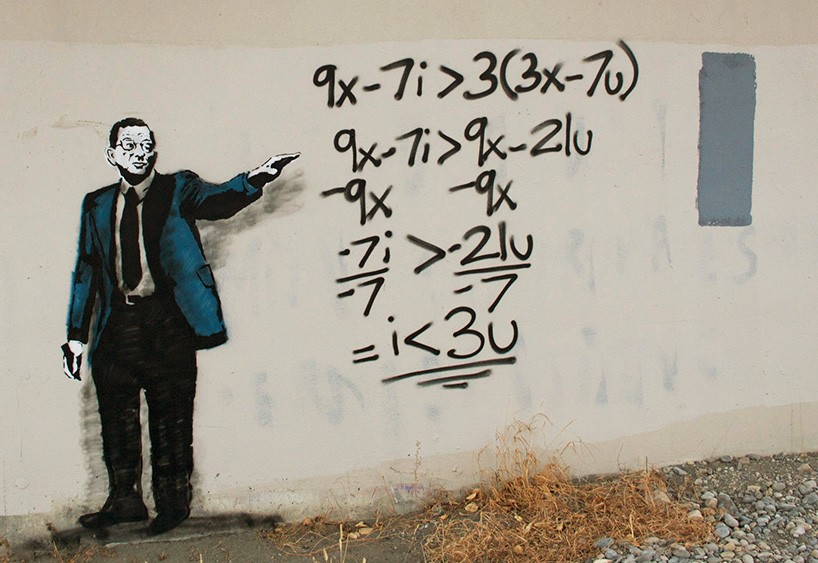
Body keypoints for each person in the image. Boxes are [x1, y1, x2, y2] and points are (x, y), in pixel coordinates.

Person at [62, 117, 299, 535]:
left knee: (170, 417)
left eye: (146, 145)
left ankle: (173, 504)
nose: (140, 153)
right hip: (116, 324)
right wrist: (76, 337)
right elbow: (87, 269)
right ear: (112, 155)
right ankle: (124, 501)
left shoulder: (178, 188)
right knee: (116, 417)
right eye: (129, 146)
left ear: (155, 152)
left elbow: (220, 200)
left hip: (167, 320)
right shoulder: (96, 204)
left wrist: (258, 177)